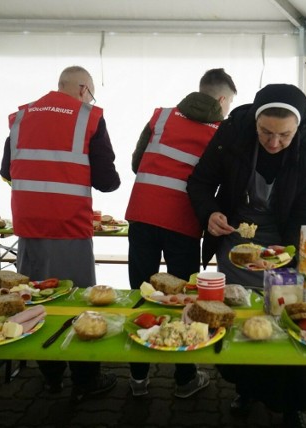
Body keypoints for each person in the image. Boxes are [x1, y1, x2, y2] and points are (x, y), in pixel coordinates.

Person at [187, 84, 306, 426]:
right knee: (238, 314)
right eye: (265, 132)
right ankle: (247, 388)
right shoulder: (232, 135)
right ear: (254, 122)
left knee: (284, 318)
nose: (273, 143)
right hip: (235, 239)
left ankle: (290, 404)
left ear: (298, 128)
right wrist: (210, 213)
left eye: (283, 135)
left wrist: (286, 254)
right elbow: (199, 182)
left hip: (282, 242)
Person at [0, 65, 121, 403]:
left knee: (36, 298)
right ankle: (85, 380)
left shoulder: (22, 116)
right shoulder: (89, 117)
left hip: (29, 225)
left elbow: (5, 169)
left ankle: (51, 376)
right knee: (76, 301)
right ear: (83, 89)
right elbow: (106, 180)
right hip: (69, 224)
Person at [124, 68, 237, 397]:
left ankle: (138, 379)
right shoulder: (222, 130)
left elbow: (136, 162)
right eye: (229, 103)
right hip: (183, 222)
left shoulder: (161, 117)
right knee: (185, 300)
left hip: (143, 214)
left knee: (140, 293)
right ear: (221, 99)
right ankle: (185, 379)